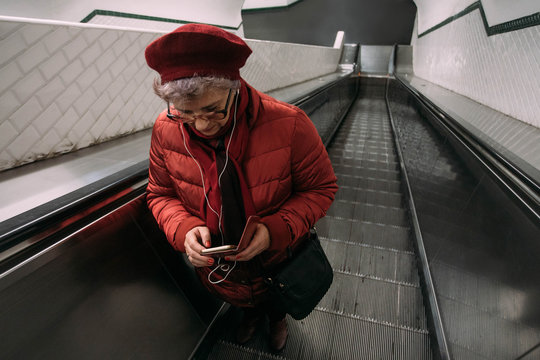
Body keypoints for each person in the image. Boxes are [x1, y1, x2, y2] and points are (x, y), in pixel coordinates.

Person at [144, 23, 337, 352]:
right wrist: (184, 230)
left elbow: (321, 189)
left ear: (235, 88)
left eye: (212, 109)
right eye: (186, 114)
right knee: (243, 303)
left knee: (276, 299)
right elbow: (160, 193)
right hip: (221, 269)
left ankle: (277, 320)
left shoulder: (289, 124)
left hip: (279, 258)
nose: (202, 125)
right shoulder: (166, 130)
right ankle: (249, 317)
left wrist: (274, 231)